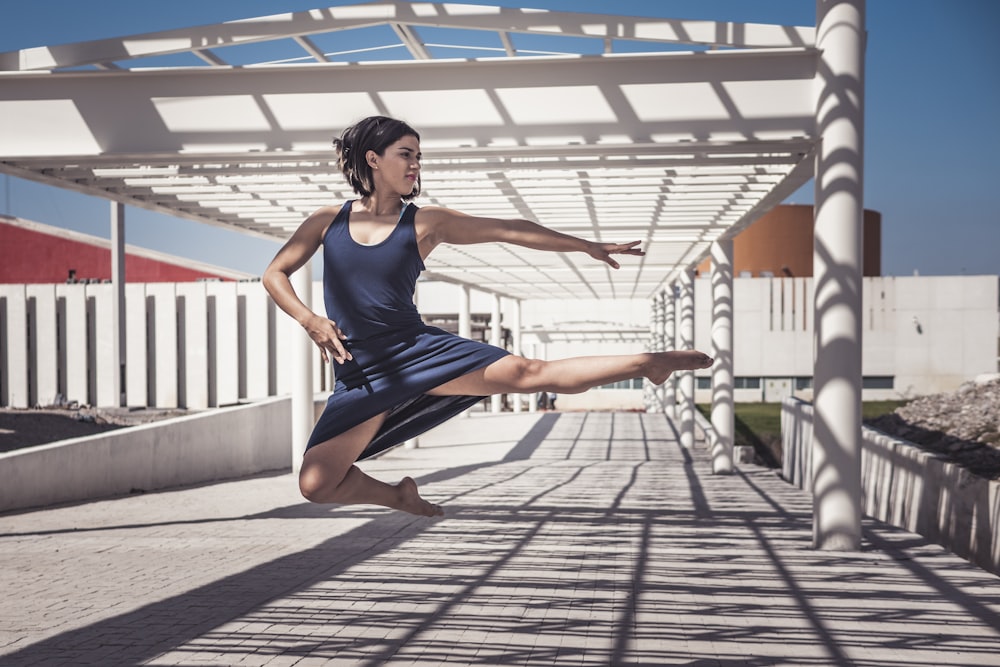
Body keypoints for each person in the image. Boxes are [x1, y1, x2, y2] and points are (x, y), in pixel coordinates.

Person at [263, 116, 713, 517]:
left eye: (419, 156)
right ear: (373, 159)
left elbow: (510, 229)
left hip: (414, 351)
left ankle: (647, 363)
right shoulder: (327, 220)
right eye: (406, 155)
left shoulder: (424, 222)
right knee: (316, 485)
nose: (416, 165)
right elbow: (275, 274)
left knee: (530, 372)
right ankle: (397, 497)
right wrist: (310, 320)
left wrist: (585, 245)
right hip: (358, 371)